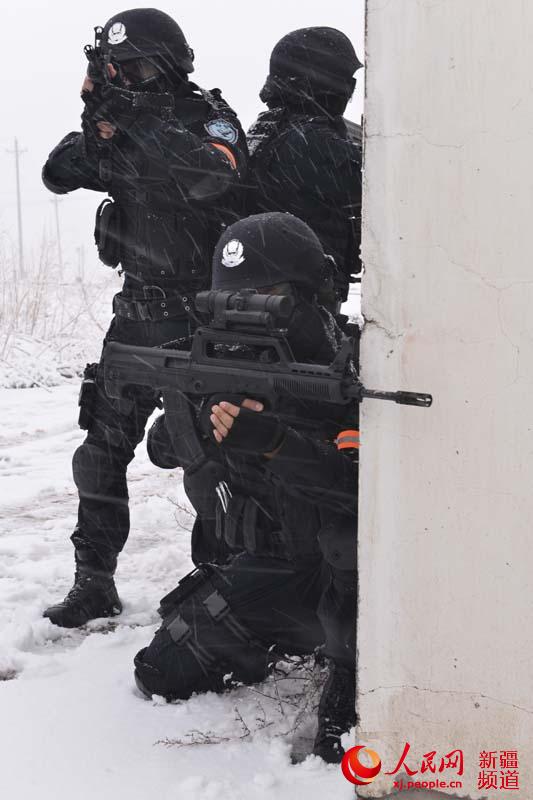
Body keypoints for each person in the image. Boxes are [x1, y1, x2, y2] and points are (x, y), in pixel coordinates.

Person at [41, 8, 247, 628]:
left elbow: (214, 176)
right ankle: (93, 582)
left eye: (131, 66)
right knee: (100, 455)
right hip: (133, 320)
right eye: (114, 67)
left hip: (197, 321)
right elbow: (58, 172)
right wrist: (101, 126)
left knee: (208, 459)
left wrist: (143, 123)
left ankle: (220, 583)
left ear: (166, 62)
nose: (122, 76)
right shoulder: (121, 127)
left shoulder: (207, 118)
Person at [134, 212, 358, 763]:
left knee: (348, 541)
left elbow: (362, 494)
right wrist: (201, 422)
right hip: (272, 563)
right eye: (231, 302)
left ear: (312, 295)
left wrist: (278, 442)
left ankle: (353, 680)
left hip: (346, 582)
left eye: (267, 298)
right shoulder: (222, 360)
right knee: (160, 672)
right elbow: (162, 450)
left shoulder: (351, 369)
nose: (245, 316)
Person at [246, 27, 363, 315]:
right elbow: (381, 189)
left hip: (269, 291)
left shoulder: (271, 127)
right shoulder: (314, 143)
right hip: (301, 302)